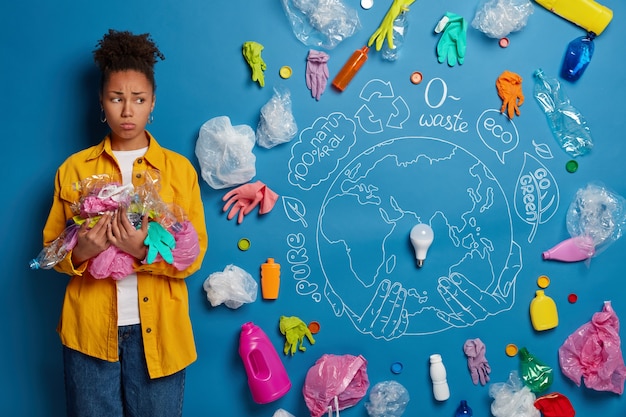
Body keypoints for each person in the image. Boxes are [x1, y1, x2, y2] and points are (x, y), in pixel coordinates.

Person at [41, 29, 208, 417]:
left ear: (152, 104)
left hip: (162, 336)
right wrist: (82, 250)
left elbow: (193, 254)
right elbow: (52, 247)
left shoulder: (179, 171)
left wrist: (141, 250)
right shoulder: (74, 170)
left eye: (139, 99)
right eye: (117, 99)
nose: (127, 111)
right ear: (102, 102)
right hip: (89, 334)